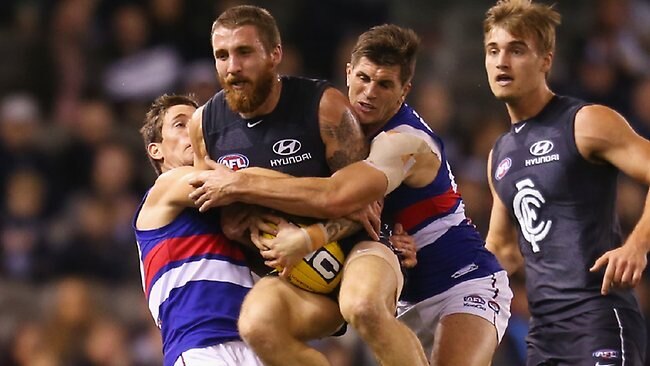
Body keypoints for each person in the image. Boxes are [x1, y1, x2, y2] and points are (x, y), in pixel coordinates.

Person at [190, 23, 513, 366]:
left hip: (461, 281)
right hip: (400, 295)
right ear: (348, 73)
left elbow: (337, 196)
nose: (369, 92)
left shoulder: (403, 142)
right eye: (363, 78)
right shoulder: (332, 127)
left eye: (385, 84)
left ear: (404, 90)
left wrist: (240, 183)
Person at [482, 0, 650, 364]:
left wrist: (637, 245)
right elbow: (501, 249)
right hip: (543, 336)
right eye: (493, 51)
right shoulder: (500, 154)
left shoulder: (585, 122)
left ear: (546, 60)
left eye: (516, 50)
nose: (502, 62)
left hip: (598, 319)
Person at [132, 94, 263, 366]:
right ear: (156, 149)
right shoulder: (164, 189)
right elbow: (231, 184)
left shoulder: (228, 216)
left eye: (199, 124)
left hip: (252, 345)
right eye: (181, 125)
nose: (194, 130)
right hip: (199, 347)